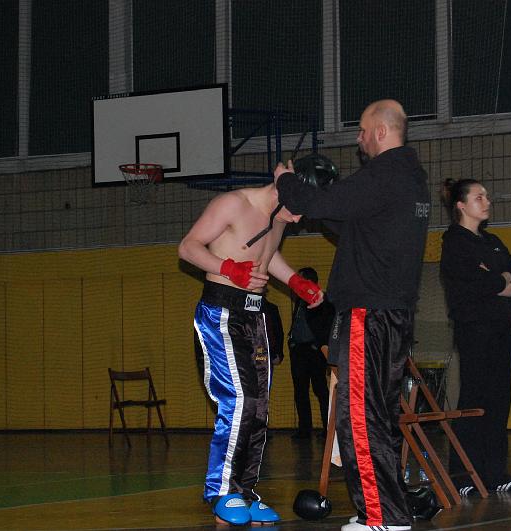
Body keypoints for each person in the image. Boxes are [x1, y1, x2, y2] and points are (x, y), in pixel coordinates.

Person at [276, 99, 430, 531]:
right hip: (390, 316)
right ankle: (387, 511)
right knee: (374, 414)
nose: (359, 140)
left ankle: (380, 517)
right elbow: (352, 223)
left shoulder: (384, 172)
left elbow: (319, 202)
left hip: (369, 315)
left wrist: (285, 180)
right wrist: (316, 206)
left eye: (362, 131)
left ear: (381, 131)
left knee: (359, 416)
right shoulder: (410, 179)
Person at [178, 179, 324, 527]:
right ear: (281, 192)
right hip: (221, 313)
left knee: (259, 406)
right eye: (298, 209)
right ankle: (221, 490)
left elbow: (266, 256)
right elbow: (188, 247)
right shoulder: (232, 203)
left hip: (254, 316)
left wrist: (295, 282)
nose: (299, 219)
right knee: (239, 401)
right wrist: (227, 268)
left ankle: (244, 491)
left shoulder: (278, 218)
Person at [439, 178, 511, 496]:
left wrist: (499, 278)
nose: (487, 201)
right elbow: (472, 283)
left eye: (487, 196)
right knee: (473, 400)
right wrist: (501, 280)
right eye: (479, 197)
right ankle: (462, 477)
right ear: (461, 205)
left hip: (501, 328)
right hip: (474, 329)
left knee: (499, 401)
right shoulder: (454, 242)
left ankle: (496, 473)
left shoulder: (494, 241)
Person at [288, 266, 334, 439]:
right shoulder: (299, 300)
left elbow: (327, 325)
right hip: (298, 350)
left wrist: (318, 345)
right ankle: (304, 430)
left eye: (300, 279)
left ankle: (328, 428)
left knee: (320, 389)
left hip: (315, 351)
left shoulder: (322, 300)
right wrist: (292, 341)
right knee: (300, 390)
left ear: (308, 281)